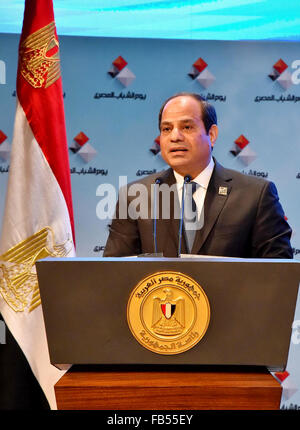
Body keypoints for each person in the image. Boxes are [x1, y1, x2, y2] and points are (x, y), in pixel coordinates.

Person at [103, 92, 293, 259]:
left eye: (187, 127)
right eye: (166, 129)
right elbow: (115, 273)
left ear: (212, 134)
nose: (175, 136)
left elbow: (278, 271)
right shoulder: (136, 196)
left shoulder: (255, 195)